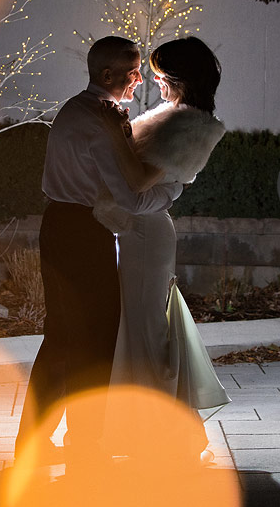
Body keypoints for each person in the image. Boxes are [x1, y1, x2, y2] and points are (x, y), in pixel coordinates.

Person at [16, 36, 183, 460]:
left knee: (60, 336)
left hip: (59, 226)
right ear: (107, 75)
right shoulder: (100, 119)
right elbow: (128, 196)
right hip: (82, 234)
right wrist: (172, 194)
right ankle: (84, 441)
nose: (138, 79)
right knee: (95, 339)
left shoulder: (76, 108)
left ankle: (36, 440)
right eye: (132, 72)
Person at [93, 36, 230, 453]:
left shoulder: (185, 126)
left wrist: (112, 129)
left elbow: (137, 180)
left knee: (145, 331)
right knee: (141, 329)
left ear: (178, 76)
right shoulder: (175, 116)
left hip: (145, 234)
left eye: (158, 72)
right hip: (139, 230)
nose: (152, 80)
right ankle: (157, 430)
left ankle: (162, 433)